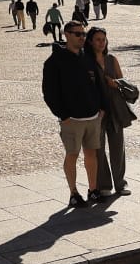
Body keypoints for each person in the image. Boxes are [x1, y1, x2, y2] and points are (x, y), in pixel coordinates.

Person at [41, 21, 105, 208]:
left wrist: (101, 107)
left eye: (83, 34)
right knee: (72, 155)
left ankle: (93, 190)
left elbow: (97, 84)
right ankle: (73, 193)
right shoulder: (54, 62)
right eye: (77, 34)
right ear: (66, 34)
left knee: (92, 154)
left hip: (92, 116)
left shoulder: (88, 57)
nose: (82, 37)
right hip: (71, 119)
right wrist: (63, 115)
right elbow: (49, 93)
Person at [85, 26, 133, 197]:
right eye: (97, 39)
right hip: (96, 111)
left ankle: (120, 183)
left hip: (114, 109)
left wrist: (116, 83)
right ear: (90, 41)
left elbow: (122, 81)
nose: (101, 42)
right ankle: (104, 185)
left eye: (103, 39)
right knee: (98, 149)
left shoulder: (112, 59)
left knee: (118, 147)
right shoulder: (86, 61)